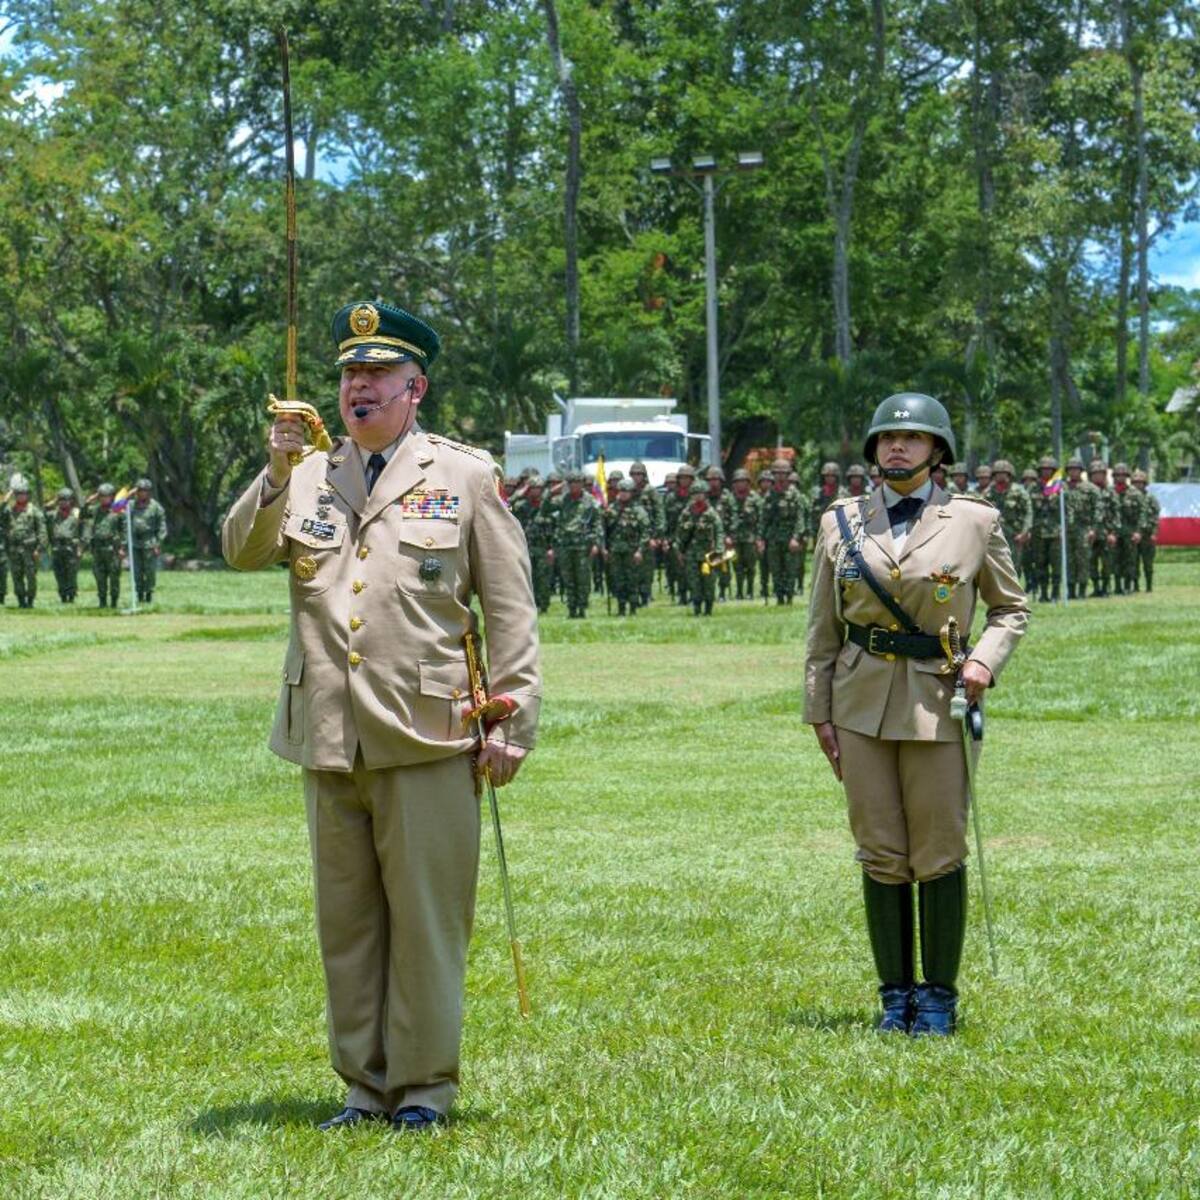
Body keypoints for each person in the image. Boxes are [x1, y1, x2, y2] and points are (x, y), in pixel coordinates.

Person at [222, 299, 540, 1132]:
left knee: (428, 924)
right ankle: (364, 1087)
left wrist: (513, 718)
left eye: (376, 375)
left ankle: (425, 1088)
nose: (358, 388)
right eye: (349, 375)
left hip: (428, 729)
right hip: (330, 734)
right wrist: (274, 469)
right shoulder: (306, 475)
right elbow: (240, 550)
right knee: (351, 927)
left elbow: (510, 609)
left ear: (415, 387)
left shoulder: (463, 476)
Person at [805, 393, 1028, 1036]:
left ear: (938, 451)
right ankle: (894, 995)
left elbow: (1010, 609)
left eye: (912, 438)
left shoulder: (974, 521)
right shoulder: (840, 522)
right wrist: (818, 711)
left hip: (939, 700)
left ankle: (938, 997)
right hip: (858, 703)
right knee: (879, 850)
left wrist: (985, 661)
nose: (896, 447)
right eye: (886, 439)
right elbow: (823, 630)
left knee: (936, 848)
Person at [553, 469, 602, 618]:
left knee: (583, 579)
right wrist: (554, 489)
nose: (574, 486)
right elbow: (546, 506)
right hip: (565, 545)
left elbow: (597, 524)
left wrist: (596, 544)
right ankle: (571, 609)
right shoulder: (563, 499)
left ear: (582, 484)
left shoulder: (590, 501)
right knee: (568, 579)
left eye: (577, 483)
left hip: (583, 546)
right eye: (571, 483)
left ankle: (582, 608)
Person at [675, 480, 724, 616]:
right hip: (691, 553)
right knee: (694, 581)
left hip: (709, 553)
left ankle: (708, 609)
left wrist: (719, 550)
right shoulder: (687, 512)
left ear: (705, 495)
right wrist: (679, 550)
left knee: (708, 581)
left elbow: (719, 532)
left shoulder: (711, 513)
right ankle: (696, 608)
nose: (697, 497)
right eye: (695, 494)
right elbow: (679, 532)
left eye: (700, 494)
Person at [604, 478, 651, 615]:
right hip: (616, 550)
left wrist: (640, 551)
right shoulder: (612, 509)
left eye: (626, 491)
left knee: (632, 579)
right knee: (618, 580)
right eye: (621, 491)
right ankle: (621, 607)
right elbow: (604, 530)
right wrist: (605, 548)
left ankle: (633, 607)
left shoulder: (639, 511)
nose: (623, 494)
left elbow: (645, 532)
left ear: (632, 493)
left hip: (632, 551)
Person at [761, 458, 804, 604]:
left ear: (788, 475)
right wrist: (760, 539)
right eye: (777, 473)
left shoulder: (795, 495)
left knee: (790, 569)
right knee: (776, 569)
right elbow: (764, 519)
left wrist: (796, 538)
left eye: (783, 473)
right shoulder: (769, 495)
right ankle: (779, 597)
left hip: (789, 538)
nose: (780, 476)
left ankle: (789, 597)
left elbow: (800, 519)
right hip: (773, 538)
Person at [511, 474, 555, 613]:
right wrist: (520, 492)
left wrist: (552, 548)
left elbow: (556, 526)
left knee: (543, 579)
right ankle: (530, 605)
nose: (535, 491)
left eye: (538, 488)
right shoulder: (520, 505)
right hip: (525, 548)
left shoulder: (547, 505)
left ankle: (544, 605)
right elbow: (505, 504)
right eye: (532, 488)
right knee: (527, 579)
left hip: (543, 548)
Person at [984, 461, 1031, 584]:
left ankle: (1014, 591)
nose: (1000, 476)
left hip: (1015, 535)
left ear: (1010, 475)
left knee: (1014, 565)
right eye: (998, 474)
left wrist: (1024, 533)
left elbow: (1028, 513)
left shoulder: (1019, 491)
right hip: (995, 535)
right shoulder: (989, 492)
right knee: (995, 564)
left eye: (1004, 473)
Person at [722, 468, 762, 600]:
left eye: (743, 481)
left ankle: (750, 591)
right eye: (738, 482)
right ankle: (739, 592)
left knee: (751, 567)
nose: (740, 484)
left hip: (750, 538)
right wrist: (726, 537)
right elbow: (723, 520)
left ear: (748, 483)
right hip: (733, 539)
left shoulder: (755, 499)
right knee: (737, 566)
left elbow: (761, 519)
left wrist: (759, 538)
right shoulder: (728, 499)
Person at [85, 483, 127, 608]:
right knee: (99, 577)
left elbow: (124, 530)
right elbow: (83, 514)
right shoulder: (95, 510)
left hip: (112, 549)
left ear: (112, 497)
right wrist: (88, 502)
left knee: (114, 576)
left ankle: (114, 602)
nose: (104, 499)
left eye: (106, 496)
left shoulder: (118, 511)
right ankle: (102, 602)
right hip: (98, 549)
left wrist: (122, 548)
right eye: (101, 496)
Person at [7, 476, 46, 609]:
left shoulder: (34, 511)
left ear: (28, 495)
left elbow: (42, 531)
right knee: (16, 576)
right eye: (18, 494)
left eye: (23, 494)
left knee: (31, 577)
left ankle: (30, 600)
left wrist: (39, 549)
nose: (21, 496)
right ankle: (20, 600)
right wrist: (8, 494)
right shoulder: (10, 511)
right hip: (14, 549)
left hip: (29, 550)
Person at [629, 460, 664, 606]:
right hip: (632, 534)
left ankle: (646, 593)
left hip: (648, 534)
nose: (636, 477)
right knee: (633, 566)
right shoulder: (629, 491)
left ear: (644, 476)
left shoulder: (651, 491)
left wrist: (656, 536)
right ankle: (635, 593)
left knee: (647, 567)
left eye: (639, 474)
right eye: (634, 474)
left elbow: (659, 514)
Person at [128, 477, 167, 603]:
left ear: (149, 492)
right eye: (139, 491)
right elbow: (117, 508)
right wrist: (129, 494)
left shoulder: (156, 507)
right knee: (137, 571)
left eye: (145, 491)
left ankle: (149, 594)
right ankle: (139, 594)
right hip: (135, 542)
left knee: (150, 571)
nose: (142, 493)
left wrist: (158, 543)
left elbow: (162, 527)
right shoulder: (131, 505)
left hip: (150, 542)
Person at [1030, 456, 1062, 602]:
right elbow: (1029, 510)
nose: (1046, 472)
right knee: (1040, 564)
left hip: (1055, 532)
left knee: (1056, 564)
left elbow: (1067, 510)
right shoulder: (1033, 488)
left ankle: (1055, 592)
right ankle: (1043, 593)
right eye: (1043, 469)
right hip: (1038, 532)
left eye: (1049, 469)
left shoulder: (1060, 487)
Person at [1086, 461, 1118, 598]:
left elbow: (1116, 514)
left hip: (1106, 533)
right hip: (1090, 533)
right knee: (1091, 562)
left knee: (1107, 563)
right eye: (1095, 474)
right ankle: (1096, 587)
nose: (1097, 477)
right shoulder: (1085, 491)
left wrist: (1113, 533)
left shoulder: (1110, 492)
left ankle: (1106, 587)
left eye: (1100, 474)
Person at [48, 487, 83, 604]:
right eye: (61, 500)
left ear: (71, 501)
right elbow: (43, 511)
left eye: (66, 500)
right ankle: (63, 597)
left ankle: (71, 597)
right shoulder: (54, 515)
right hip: (57, 548)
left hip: (71, 548)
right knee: (59, 574)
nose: (63, 502)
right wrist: (53, 501)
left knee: (71, 574)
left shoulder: (76, 514)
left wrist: (80, 547)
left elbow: (83, 531)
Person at [1131, 469, 1159, 592]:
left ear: (1145, 483)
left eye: (1140, 482)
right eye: (1135, 482)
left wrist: (1153, 533)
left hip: (1147, 535)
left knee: (1148, 562)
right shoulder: (1129, 498)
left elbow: (1155, 517)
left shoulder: (1151, 498)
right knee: (1133, 561)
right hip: (1133, 535)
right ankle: (1135, 585)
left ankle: (1149, 586)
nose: (1138, 485)